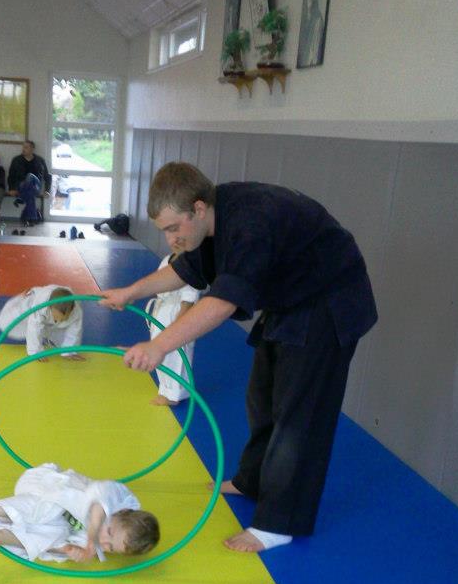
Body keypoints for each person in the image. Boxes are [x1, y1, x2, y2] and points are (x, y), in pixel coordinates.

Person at [100, 162, 378, 553]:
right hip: (291, 298)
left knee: (299, 414)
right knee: (262, 397)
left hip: (329, 301)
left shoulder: (249, 224)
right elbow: (183, 273)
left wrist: (160, 345)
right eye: (165, 230)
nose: (170, 239)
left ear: (198, 209)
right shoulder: (208, 224)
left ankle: (278, 523)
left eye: (173, 228)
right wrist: (130, 292)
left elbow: (222, 303)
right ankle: (253, 479)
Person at [0, 462, 160, 563]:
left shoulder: (98, 542)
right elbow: (98, 498)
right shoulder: (117, 498)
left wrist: (71, 551)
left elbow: (66, 542)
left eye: (111, 548)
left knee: (55, 535)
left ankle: (0, 537)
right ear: (120, 512)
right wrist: (91, 537)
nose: (104, 543)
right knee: (44, 511)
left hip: (51, 517)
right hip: (42, 486)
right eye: (110, 534)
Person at [144, 249, 200, 406]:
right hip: (162, 310)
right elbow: (158, 283)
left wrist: (179, 326)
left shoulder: (192, 265)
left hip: (177, 314)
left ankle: (174, 394)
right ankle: (166, 389)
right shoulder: (167, 259)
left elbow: (188, 299)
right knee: (161, 353)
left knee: (176, 354)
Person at [0, 285, 85, 361]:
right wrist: (36, 352)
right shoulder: (40, 304)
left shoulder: (76, 312)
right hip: (32, 302)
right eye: (56, 317)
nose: (58, 320)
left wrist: (69, 351)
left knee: (60, 332)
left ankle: (57, 336)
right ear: (50, 307)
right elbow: (34, 327)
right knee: (10, 321)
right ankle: (21, 300)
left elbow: (74, 331)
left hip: (57, 306)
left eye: (63, 318)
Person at [7, 140, 51, 227]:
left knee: (30, 176)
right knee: (30, 194)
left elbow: (47, 176)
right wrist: (11, 189)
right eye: (23, 147)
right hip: (21, 186)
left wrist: (47, 190)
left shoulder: (40, 160)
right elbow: (11, 176)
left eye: (26, 147)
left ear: (32, 149)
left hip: (36, 186)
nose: (23, 149)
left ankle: (21, 198)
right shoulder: (16, 160)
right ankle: (30, 217)